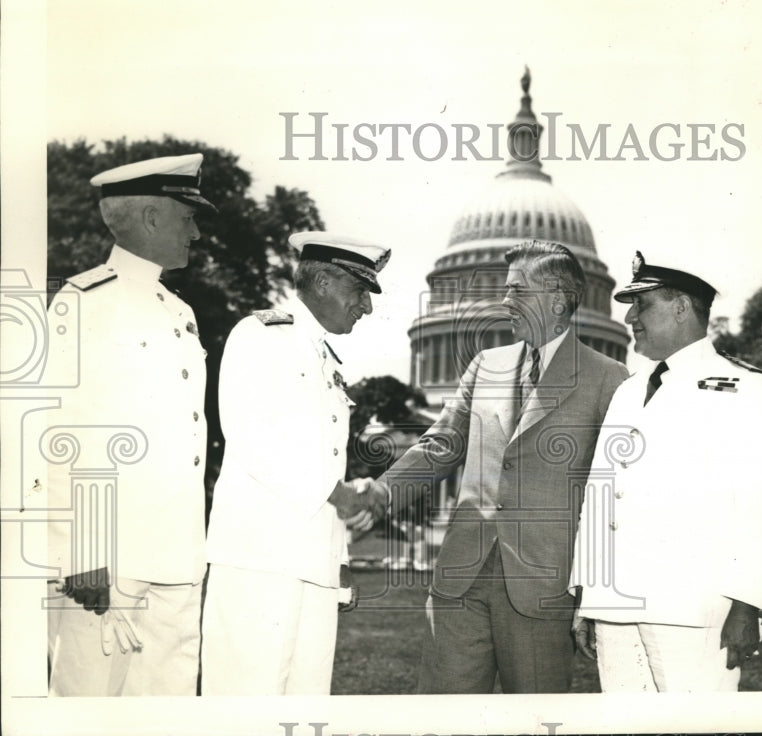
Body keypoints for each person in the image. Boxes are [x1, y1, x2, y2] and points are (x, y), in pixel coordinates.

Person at [342, 239, 628, 693]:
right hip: (462, 577)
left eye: (517, 290)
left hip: (545, 588)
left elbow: (614, 500)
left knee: (537, 721)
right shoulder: (485, 364)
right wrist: (381, 493)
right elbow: (441, 445)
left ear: (557, 299)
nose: (504, 301)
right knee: (440, 719)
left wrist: (595, 593)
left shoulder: (609, 379)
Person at [569, 250, 762, 692]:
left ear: (682, 307)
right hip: (616, 603)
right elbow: (601, 495)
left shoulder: (743, 389)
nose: (630, 317)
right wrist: (587, 595)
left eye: (642, 304)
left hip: (693, 609)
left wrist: (748, 604)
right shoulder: (630, 391)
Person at [45, 153, 216, 696]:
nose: (196, 231)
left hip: (178, 549)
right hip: (109, 555)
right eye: (187, 217)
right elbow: (59, 436)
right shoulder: (85, 300)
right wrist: (82, 553)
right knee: (86, 705)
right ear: (150, 217)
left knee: (166, 706)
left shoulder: (179, 311)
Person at [200, 232, 389, 695]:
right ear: (323, 281)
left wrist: (339, 560)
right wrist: (340, 495)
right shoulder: (260, 335)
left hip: (315, 567)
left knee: (305, 710)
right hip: (259, 561)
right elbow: (250, 437)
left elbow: (326, 460)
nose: (366, 307)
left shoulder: (324, 356)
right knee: (244, 708)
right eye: (359, 291)